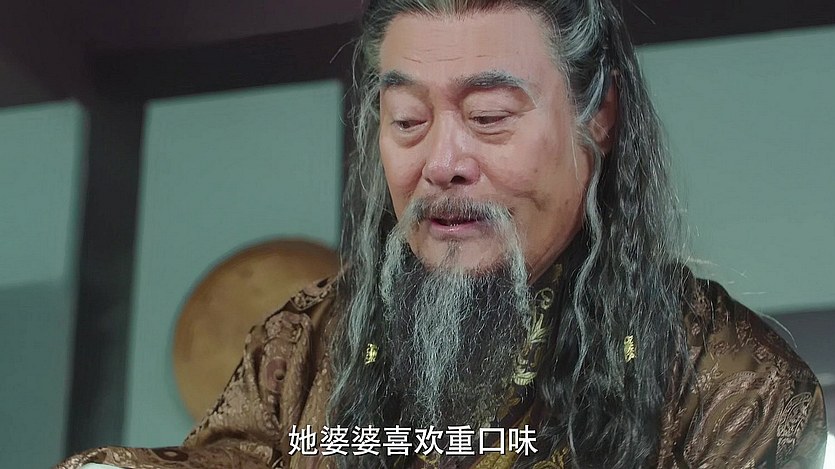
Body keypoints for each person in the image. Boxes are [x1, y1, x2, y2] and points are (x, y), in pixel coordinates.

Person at [56, 0, 828, 468]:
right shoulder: (306, 345)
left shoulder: (732, 386)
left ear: (597, 116)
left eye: (488, 116)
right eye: (407, 120)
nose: (440, 162)